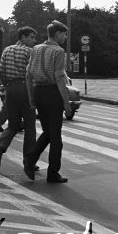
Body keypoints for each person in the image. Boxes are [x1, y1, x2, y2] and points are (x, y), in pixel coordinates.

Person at [25, 20, 71, 183]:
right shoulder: (59, 51)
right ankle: (52, 172)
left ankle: (30, 160)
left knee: (48, 132)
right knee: (56, 137)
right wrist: (66, 103)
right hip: (52, 93)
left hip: (39, 92)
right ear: (57, 34)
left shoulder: (36, 49)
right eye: (64, 34)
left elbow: (28, 75)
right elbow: (59, 78)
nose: (65, 37)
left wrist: (31, 97)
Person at [0, 26, 37, 172]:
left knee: (12, 124)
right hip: (25, 89)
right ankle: (28, 161)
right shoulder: (30, 52)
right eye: (31, 37)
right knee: (30, 127)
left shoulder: (7, 50)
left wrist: (7, 85)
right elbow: (31, 74)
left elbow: (2, 70)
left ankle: (0, 147)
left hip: (10, 89)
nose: (33, 40)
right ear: (23, 37)